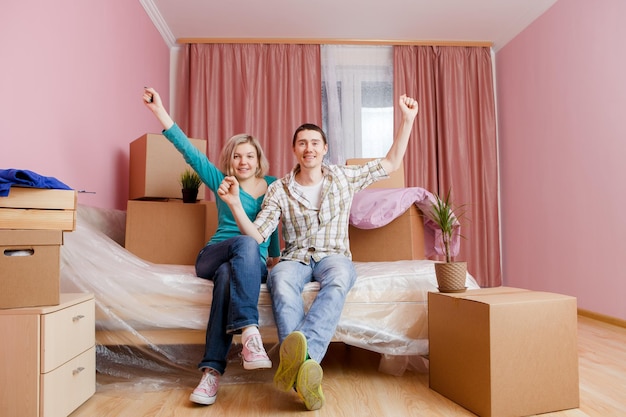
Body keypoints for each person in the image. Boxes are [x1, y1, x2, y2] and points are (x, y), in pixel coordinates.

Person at [217, 94, 419, 410]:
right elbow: (258, 234)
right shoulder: (279, 189)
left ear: (325, 149)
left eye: (315, 142)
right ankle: (307, 369)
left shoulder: (343, 177)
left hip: (334, 254)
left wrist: (407, 120)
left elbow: (391, 163)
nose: (309, 148)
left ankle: (300, 358)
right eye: (302, 143)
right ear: (294, 150)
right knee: (279, 281)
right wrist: (233, 204)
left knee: (340, 278)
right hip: (294, 257)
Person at [142, 87, 280, 406]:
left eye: (249, 155)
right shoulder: (220, 180)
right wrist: (159, 112)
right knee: (242, 245)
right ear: (228, 160)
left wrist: (275, 258)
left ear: (258, 159)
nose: (243, 161)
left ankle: (211, 373)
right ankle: (249, 332)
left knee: (229, 276)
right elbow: (190, 152)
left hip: (246, 266)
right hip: (212, 255)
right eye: (236, 155)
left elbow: (273, 227)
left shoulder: (273, 185)